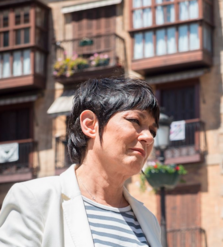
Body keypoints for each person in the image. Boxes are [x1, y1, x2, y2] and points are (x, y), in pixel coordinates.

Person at [0, 78, 162, 247]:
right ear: (90, 124)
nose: (148, 137)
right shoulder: (34, 198)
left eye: (153, 131)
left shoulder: (148, 219)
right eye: (135, 121)